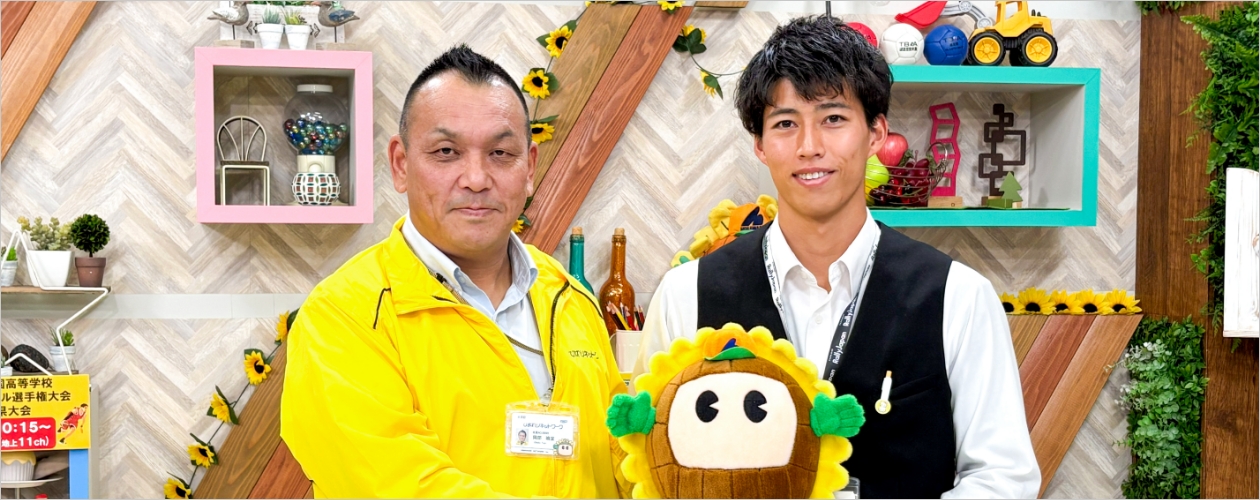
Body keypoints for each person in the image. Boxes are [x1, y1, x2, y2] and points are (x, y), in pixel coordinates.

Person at [635, 16, 1039, 499]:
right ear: (760, 145)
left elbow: (1003, 479)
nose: (810, 147)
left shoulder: (959, 296)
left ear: (876, 133)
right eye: (786, 124)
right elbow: (653, 464)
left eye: (833, 119)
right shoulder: (687, 295)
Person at [282, 45, 627, 498]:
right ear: (401, 164)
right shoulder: (342, 317)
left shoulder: (569, 299)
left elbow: (623, 457)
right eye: (446, 151)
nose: (476, 179)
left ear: (529, 168)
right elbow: (402, 487)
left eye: (500, 153)